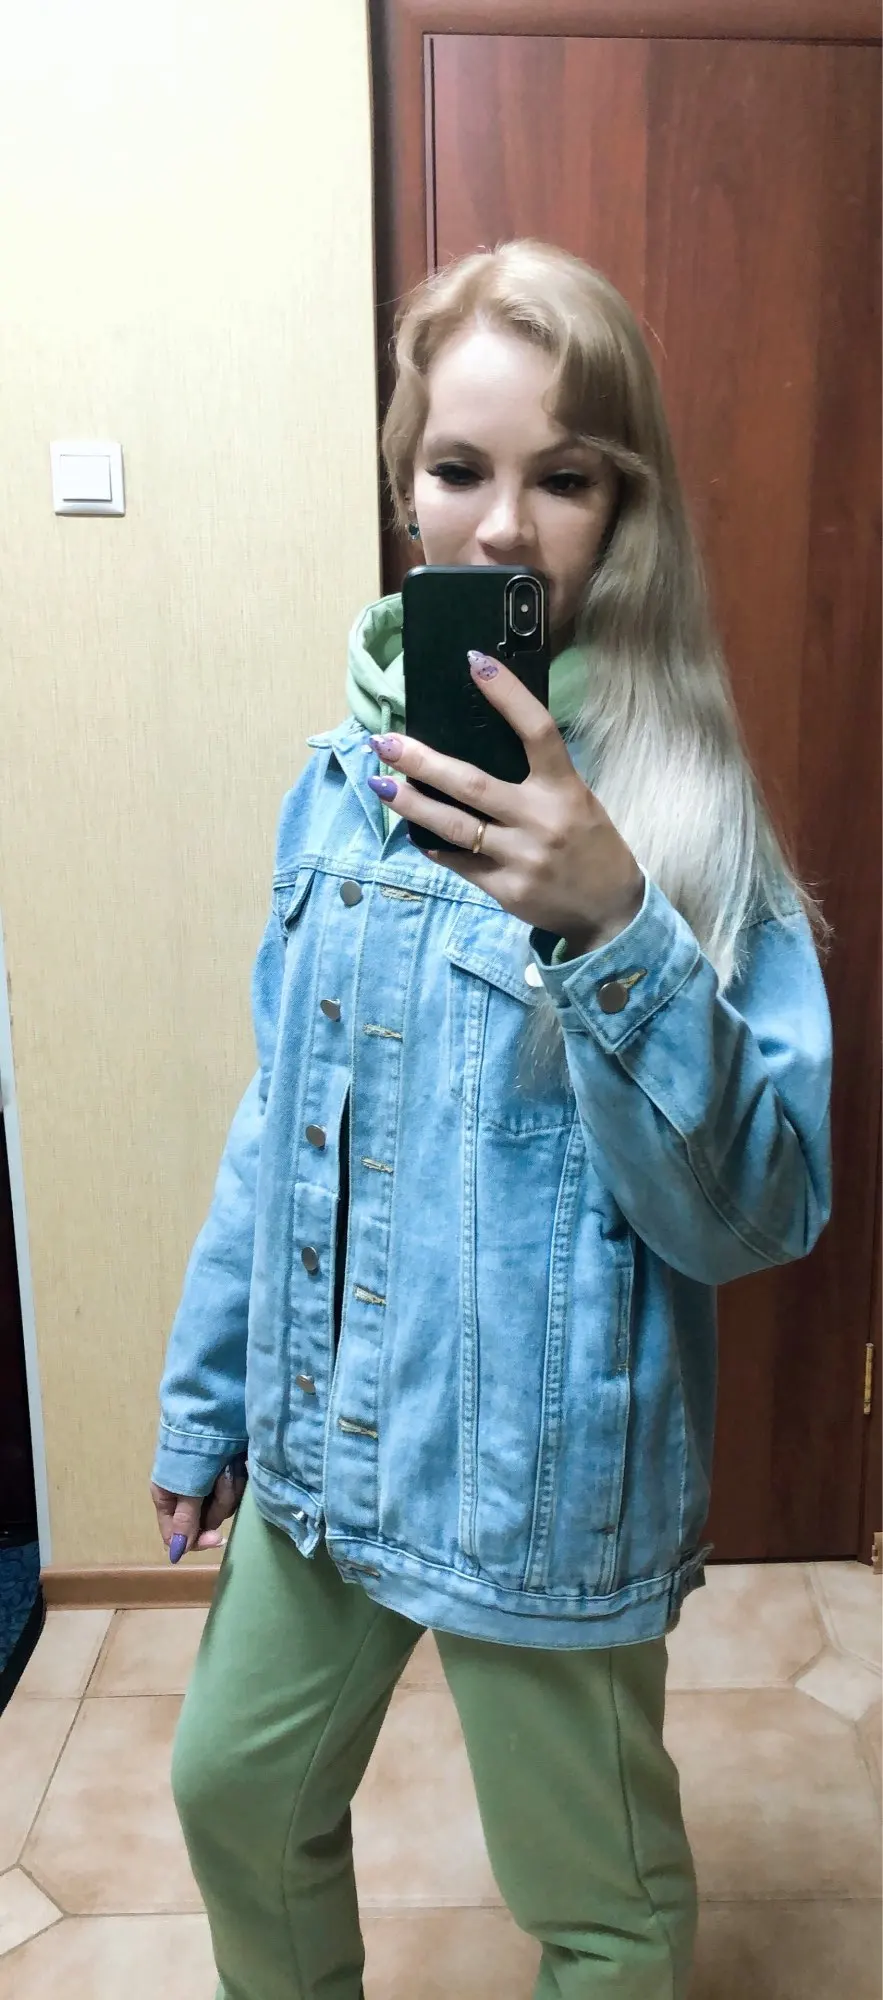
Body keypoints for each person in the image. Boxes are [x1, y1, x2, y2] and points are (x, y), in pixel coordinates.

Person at [150, 240, 833, 2000]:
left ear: (629, 509)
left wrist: (613, 926)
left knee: (593, 1900)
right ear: (405, 488)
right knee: (233, 1791)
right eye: (459, 469)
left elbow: (763, 1208)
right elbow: (279, 1116)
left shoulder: (683, 819)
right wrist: (209, 1393)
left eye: (565, 477)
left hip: (541, 1475)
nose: (505, 529)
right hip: (323, 1436)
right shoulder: (335, 788)